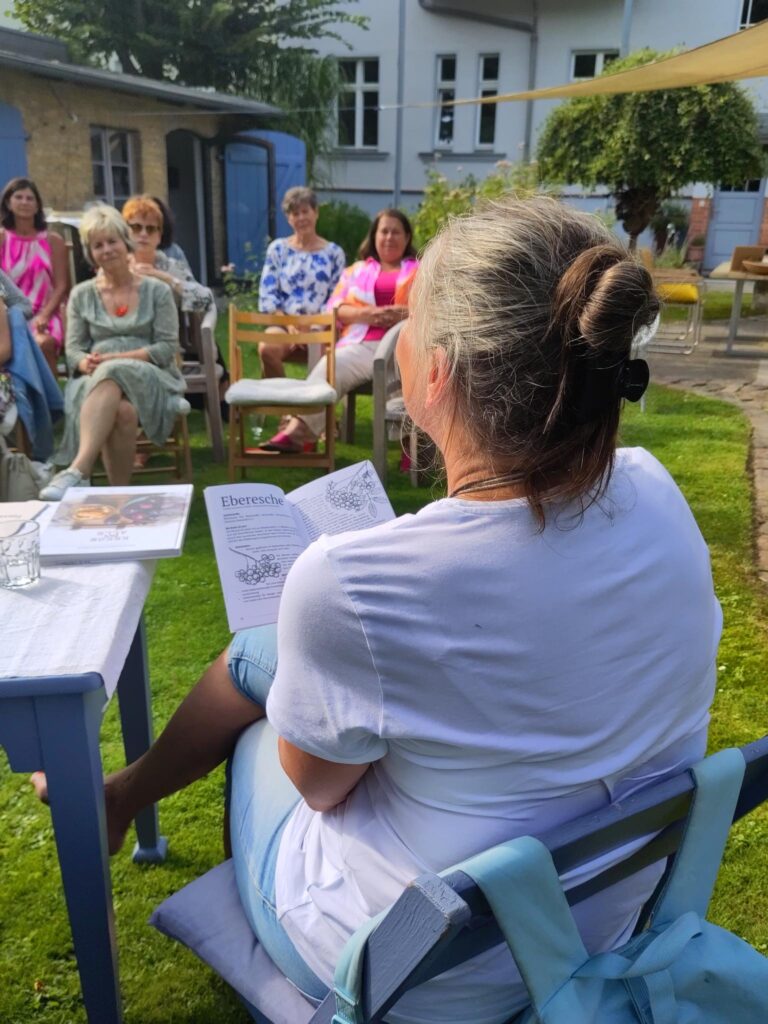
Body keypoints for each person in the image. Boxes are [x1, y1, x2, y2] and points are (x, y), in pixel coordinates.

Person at [35, 197, 720, 1023]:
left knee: (266, 714)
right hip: (595, 917)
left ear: (435, 373)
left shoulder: (349, 582)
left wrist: (332, 651)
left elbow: (320, 788)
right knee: (265, 654)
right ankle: (121, 794)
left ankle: (128, 805)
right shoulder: (656, 491)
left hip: (423, 970)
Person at [40, 204, 185, 501]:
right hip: (96, 382)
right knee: (122, 412)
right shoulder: (82, 295)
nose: (107, 250)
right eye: (98, 245)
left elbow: (166, 347)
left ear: (125, 242)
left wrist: (115, 360)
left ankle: (77, 470)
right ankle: (118, 498)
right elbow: (73, 350)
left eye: (112, 241)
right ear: (90, 252)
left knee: (112, 371)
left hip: (151, 373)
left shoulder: (157, 291)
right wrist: (84, 360)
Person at [260, 207, 418, 453]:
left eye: (396, 232)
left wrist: (406, 314)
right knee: (331, 366)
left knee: (406, 374)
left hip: (405, 346)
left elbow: (434, 308)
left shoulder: (421, 271)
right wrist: (368, 315)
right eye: (383, 231)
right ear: (374, 236)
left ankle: (414, 447)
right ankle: (300, 430)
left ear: (407, 238)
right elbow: (333, 308)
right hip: (363, 345)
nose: (389, 237)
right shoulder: (356, 271)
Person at [257, 186, 345, 379]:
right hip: (283, 323)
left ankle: (317, 408)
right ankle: (285, 407)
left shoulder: (334, 253)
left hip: (321, 325)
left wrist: (311, 324)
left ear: (316, 213)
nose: (301, 218)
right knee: (266, 349)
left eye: (305, 211)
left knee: (326, 353)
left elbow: (336, 297)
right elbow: (268, 296)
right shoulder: (277, 249)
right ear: (289, 218)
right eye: (295, 213)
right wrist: (290, 324)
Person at [0, 177, 69, 377]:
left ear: (38, 205)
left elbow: (62, 286)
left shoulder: (52, 240)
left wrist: (45, 315)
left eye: (30, 198)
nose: (24, 202)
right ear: (8, 203)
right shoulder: (2, 240)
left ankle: (51, 402)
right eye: (18, 197)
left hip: (47, 312)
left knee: (43, 342)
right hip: (9, 314)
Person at [121, 195, 213, 315]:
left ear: (159, 237)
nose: (143, 234)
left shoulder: (171, 266)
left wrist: (164, 277)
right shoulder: (117, 266)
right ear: (125, 232)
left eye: (150, 229)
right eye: (136, 227)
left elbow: (206, 301)